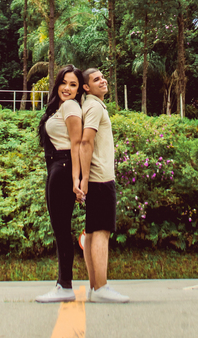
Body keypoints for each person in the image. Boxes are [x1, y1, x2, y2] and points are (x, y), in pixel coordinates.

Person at [75, 68, 129, 303]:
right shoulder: (95, 107)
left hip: (96, 177)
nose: (102, 80)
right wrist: (85, 179)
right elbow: (86, 141)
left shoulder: (91, 105)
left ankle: (95, 288)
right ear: (86, 87)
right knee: (101, 233)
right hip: (100, 178)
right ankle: (102, 287)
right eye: (96, 79)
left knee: (92, 232)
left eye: (103, 76)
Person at [34, 64, 87, 303]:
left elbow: (77, 144)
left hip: (64, 168)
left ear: (79, 90)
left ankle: (65, 285)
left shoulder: (70, 106)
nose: (67, 88)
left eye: (73, 84)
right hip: (57, 167)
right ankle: (63, 284)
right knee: (60, 228)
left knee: (62, 229)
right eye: (64, 82)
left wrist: (77, 179)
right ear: (57, 84)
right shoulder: (59, 108)